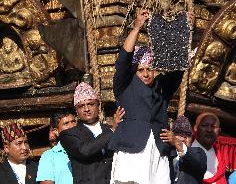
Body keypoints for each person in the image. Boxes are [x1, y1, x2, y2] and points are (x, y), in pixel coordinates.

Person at [108, 10, 184, 184]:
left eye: (149, 69)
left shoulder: (161, 87)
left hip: (159, 150)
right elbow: (123, 60)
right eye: (141, 70)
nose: (146, 74)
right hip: (132, 149)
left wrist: (184, 30)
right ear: (135, 71)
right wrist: (136, 28)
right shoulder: (124, 85)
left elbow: (178, 67)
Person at [59, 82, 123, 184]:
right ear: (76, 111)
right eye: (81, 106)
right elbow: (84, 151)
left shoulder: (110, 129)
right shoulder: (68, 134)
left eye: (90, 104)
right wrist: (112, 130)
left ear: (98, 105)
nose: (86, 109)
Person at [161, 116, 207, 184]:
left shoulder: (198, 153)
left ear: (191, 140)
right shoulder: (164, 154)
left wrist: (177, 142)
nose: (183, 136)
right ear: (171, 136)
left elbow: (197, 160)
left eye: (188, 134)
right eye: (178, 132)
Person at [36, 110, 77, 184]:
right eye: (66, 123)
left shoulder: (87, 148)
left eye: (73, 121)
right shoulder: (48, 156)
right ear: (56, 131)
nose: (72, 126)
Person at [191, 112, 227, 184]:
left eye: (213, 126)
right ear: (195, 128)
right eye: (205, 125)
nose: (209, 130)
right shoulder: (186, 152)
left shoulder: (220, 156)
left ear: (219, 131)